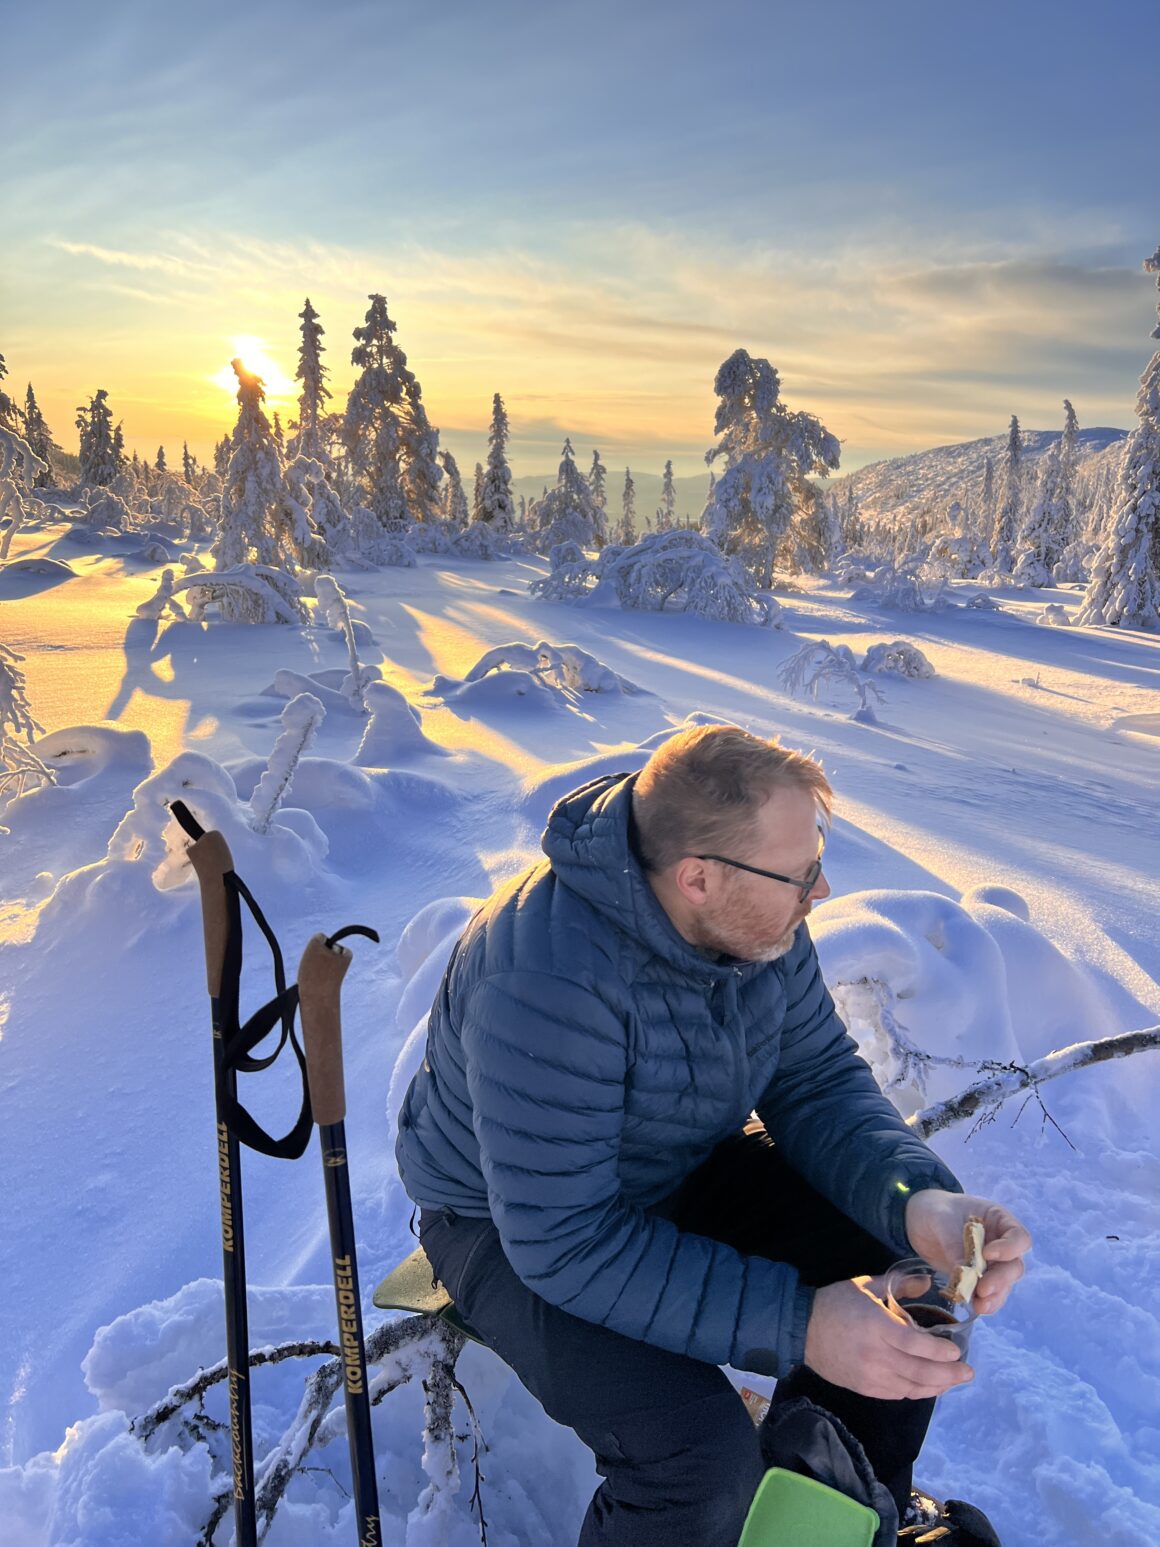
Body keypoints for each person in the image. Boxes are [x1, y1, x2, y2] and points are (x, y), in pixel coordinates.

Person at [396, 725, 1030, 1546]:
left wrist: (920, 1202)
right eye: (800, 873)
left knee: (896, 1280)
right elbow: (568, 1241)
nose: (822, 887)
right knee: (695, 1459)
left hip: (671, 1166)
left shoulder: (758, 920)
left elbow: (817, 1083)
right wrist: (802, 1325)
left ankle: (841, 1508)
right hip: (507, 1225)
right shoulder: (544, 976)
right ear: (698, 876)